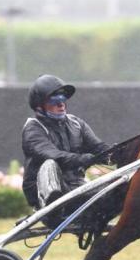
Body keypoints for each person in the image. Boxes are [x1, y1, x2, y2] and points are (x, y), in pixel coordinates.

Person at [21, 74, 112, 222]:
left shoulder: (77, 124)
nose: (61, 104)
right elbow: (52, 155)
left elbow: (99, 148)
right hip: (42, 194)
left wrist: (117, 154)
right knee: (50, 163)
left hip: (76, 188)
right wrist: (84, 159)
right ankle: (53, 212)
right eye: (54, 100)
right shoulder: (33, 128)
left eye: (63, 99)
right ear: (39, 106)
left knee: (116, 187)